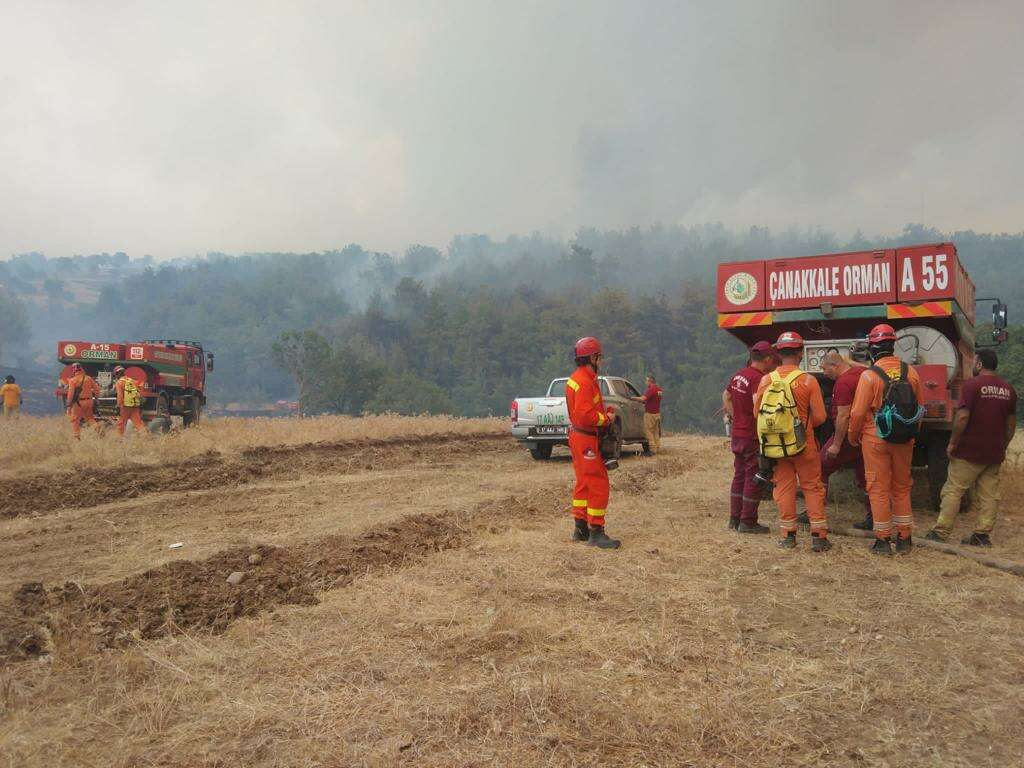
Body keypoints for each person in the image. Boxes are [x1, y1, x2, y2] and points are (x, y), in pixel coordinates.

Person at [926, 349, 1017, 546]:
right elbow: (1011, 425)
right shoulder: (1008, 389)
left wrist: (952, 443)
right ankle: (982, 535)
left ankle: (940, 533)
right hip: (994, 452)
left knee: (953, 490)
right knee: (989, 495)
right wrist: (1003, 445)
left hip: (969, 451)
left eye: (974, 361)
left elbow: (963, 416)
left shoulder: (972, 386)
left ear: (979, 364)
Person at [849, 324, 924, 555]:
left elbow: (858, 413)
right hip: (904, 439)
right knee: (902, 487)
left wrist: (854, 437)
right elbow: (920, 408)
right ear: (893, 346)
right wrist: (911, 434)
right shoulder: (911, 372)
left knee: (878, 489)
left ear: (872, 348)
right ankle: (904, 538)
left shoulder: (869, 376)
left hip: (876, 439)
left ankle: (882, 540)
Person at [754, 331, 831, 551]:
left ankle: (788, 536)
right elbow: (820, 417)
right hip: (804, 444)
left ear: (778, 353)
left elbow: (756, 414)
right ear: (800, 353)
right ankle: (818, 537)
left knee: (784, 488)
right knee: (812, 488)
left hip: (777, 446)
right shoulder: (808, 380)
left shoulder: (766, 380)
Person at [566, 336, 620, 549]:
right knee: (598, 483)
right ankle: (596, 532)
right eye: (600, 357)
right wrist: (606, 419)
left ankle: (580, 528)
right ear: (592, 357)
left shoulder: (579, 378)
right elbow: (584, 415)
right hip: (586, 438)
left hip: (579, 437)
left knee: (583, 482)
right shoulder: (585, 382)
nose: (602, 361)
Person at [723, 341, 776, 533]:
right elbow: (758, 408)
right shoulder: (758, 379)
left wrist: (735, 416)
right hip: (751, 435)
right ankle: (748, 521)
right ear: (768, 359)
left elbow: (725, 396)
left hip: (738, 433)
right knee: (755, 476)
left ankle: (734, 518)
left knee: (739, 475)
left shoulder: (739, 374)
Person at [819, 352, 873, 529]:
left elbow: (843, 417)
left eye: (824, 368)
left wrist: (836, 444)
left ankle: (816, 511)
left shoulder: (843, 383)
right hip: (865, 435)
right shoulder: (860, 373)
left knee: (820, 466)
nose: (824, 373)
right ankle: (874, 516)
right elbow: (867, 367)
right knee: (866, 477)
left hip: (849, 437)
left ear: (835, 366)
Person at [66, 363, 102, 439]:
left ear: (73, 370)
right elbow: (97, 389)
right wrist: (96, 399)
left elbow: (70, 394)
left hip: (78, 403)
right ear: (81, 369)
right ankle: (98, 429)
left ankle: (77, 438)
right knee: (90, 419)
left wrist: (69, 405)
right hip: (89, 401)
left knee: (74, 419)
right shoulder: (88, 378)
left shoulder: (73, 380)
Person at [632, 374, 664, 454]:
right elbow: (652, 400)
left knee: (648, 432)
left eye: (646, 381)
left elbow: (643, 398)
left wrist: (633, 398)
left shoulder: (651, 389)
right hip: (657, 414)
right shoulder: (659, 390)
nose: (646, 382)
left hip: (650, 414)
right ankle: (657, 448)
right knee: (655, 431)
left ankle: (652, 450)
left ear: (650, 381)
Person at [114, 366, 146, 437]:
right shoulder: (132, 381)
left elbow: (120, 396)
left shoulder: (119, 382)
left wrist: (118, 406)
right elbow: (140, 389)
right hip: (134, 406)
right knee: (138, 424)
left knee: (121, 423)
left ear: (117, 374)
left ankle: (118, 440)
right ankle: (145, 437)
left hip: (125, 407)